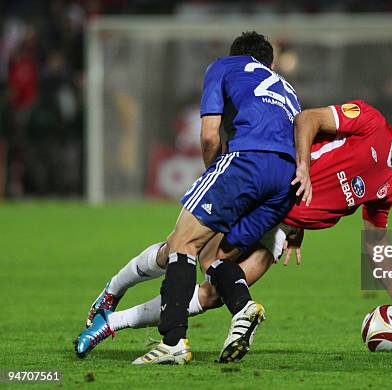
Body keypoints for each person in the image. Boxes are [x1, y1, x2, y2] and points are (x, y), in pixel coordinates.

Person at [76, 100, 392, 359]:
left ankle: (111, 325)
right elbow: (307, 120)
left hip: (281, 229)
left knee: (213, 295)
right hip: (265, 195)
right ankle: (114, 289)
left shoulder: (390, 184)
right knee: (180, 253)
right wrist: (302, 167)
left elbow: (375, 242)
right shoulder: (368, 120)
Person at [75, 31, 302, 365]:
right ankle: (241, 307)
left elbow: (210, 136)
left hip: (248, 162)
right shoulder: (290, 91)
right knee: (213, 261)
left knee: (182, 244)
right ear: (270, 63)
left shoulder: (224, 66)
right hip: (286, 182)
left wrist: (216, 175)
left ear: (237, 55)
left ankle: (172, 341)